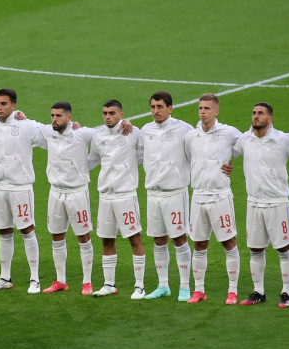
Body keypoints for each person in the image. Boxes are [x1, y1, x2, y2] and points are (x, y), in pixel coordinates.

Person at [0, 89, 44, 294]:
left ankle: (35, 279)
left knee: (27, 230)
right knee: (4, 231)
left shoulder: (26, 125)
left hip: (20, 187)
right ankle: (5, 277)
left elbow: (51, 134)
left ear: (13, 105)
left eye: (4, 104)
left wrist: (73, 127)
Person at [232, 102, 289, 308]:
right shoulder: (245, 139)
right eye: (253, 113)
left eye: (260, 113)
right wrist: (226, 164)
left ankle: (286, 292)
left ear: (270, 119)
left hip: (277, 203)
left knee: (284, 248)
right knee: (255, 248)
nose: (255, 116)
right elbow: (224, 150)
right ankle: (258, 291)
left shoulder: (283, 140)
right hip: (254, 203)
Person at [183, 93, 243, 305]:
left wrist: (230, 164)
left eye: (207, 108)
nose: (202, 112)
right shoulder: (191, 136)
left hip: (220, 196)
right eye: (200, 108)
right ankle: (199, 290)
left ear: (216, 111)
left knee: (228, 242)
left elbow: (251, 145)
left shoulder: (229, 133)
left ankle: (233, 290)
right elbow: (188, 158)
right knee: (199, 244)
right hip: (198, 196)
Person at [87, 99, 146, 299]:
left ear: (121, 115)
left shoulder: (133, 133)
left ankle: (139, 286)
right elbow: (93, 160)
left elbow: (144, 155)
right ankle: (109, 284)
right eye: (104, 113)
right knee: (106, 239)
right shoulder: (98, 136)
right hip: (105, 196)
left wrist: (128, 169)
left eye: (112, 113)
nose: (107, 117)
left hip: (125, 195)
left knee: (134, 238)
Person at [36, 102, 97, 295]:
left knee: (83, 236)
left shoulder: (82, 134)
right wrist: (18, 114)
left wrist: (126, 123)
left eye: (58, 116)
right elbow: (29, 125)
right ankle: (60, 280)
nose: (54, 119)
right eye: (52, 115)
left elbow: (106, 134)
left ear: (69, 118)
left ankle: (87, 281)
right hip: (55, 192)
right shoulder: (48, 133)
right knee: (56, 235)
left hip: (77, 192)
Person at [138, 91, 194, 301]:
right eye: (153, 107)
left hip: (175, 193)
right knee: (158, 240)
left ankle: (185, 287)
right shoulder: (146, 130)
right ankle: (163, 286)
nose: (155, 111)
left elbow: (196, 152)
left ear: (170, 108)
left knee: (179, 239)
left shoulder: (184, 130)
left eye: (160, 107)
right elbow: (140, 155)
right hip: (153, 193)